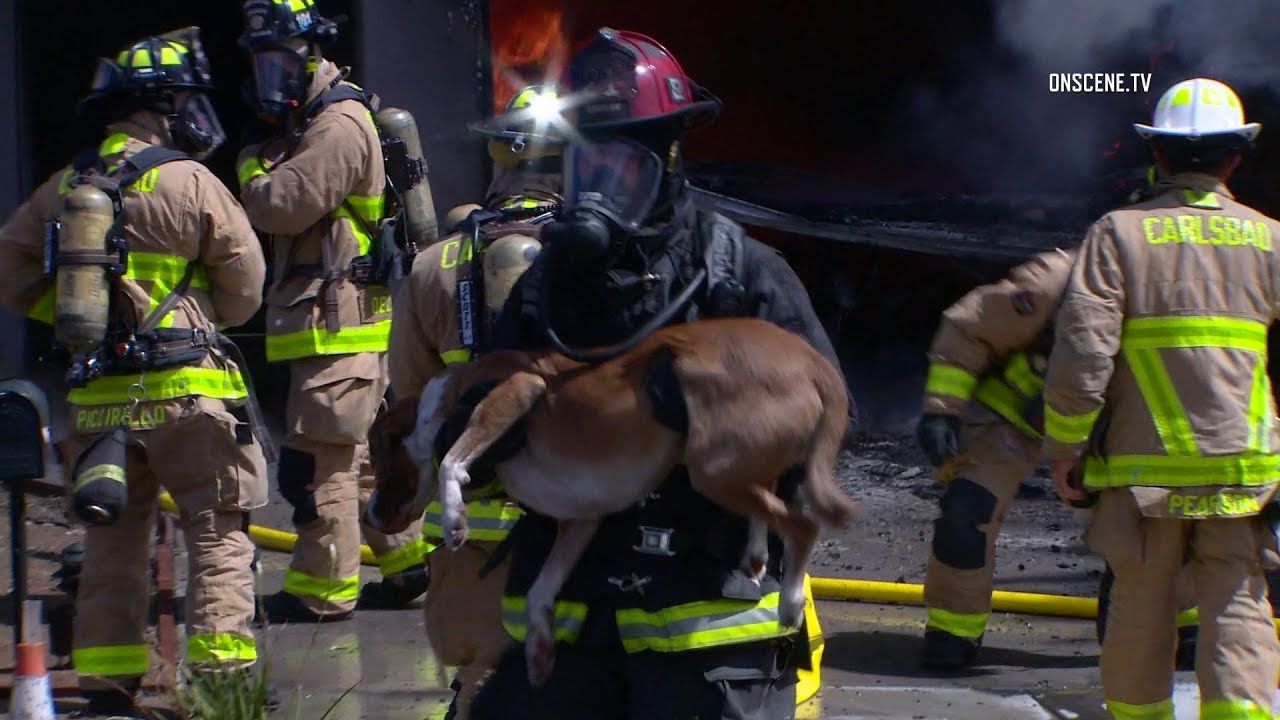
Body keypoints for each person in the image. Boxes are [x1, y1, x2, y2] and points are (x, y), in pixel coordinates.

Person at [463, 28, 842, 720]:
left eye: (622, 167)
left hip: (708, 636)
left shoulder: (738, 274)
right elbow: (484, 404)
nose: (599, 188)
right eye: (586, 166)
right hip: (571, 635)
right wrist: (489, 437)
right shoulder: (547, 285)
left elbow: (826, 420)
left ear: (668, 161)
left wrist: (707, 417)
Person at [0, 28, 269, 714]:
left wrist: (72, 315)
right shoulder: (191, 180)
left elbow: (11, 269)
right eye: (184, 100)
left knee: (112, 541)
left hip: (99, 401)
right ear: (160, 106)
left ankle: (108, 688)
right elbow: (246, 286)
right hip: (187, 391)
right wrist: (199, 314)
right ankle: (221, 688)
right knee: (216, 534)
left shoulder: (70, 184)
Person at [1044, 77, 1280, 719]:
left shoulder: (1118, 235)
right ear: (1235, 158)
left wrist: (1065, 448)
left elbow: (1084, 351)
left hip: (1142, 474)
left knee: (1141, 608)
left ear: (1159, 154)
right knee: (1238, 602)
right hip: (1242, 471)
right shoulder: (1269, 239)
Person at [234, 0, 430, 620]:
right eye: (263, 65)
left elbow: (281, 205)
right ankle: (408, 568)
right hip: (340, 323)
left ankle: (321, 594)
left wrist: (250, 165)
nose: (270, 78)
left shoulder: (338, 124)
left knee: (320, 469)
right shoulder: (318, 121)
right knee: (363, 461)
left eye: (281, 62)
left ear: (313, 54)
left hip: (335, 325)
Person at [918, 245, 1202, 670]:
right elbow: (970, 329)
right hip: (1011, 420)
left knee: (1159, 520)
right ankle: (953, 629)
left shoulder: (1185, 302)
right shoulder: (1054, 283)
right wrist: (942, 409)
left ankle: (1185, 621)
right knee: (967, 510)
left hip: (1112, 434)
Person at [386, 83, 565, 720]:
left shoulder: (433, 265)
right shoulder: (601, 257)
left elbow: (409, 397)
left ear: (499, 156)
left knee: (481, 687)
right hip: (570, 518)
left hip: (470, 529)